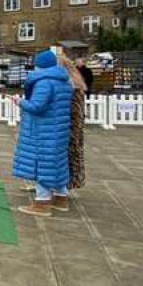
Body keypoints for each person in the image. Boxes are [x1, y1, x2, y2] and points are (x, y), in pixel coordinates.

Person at [12, 50, 73, 216]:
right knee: (57, 163)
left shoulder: (44, 83)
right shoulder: (65, 82)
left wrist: (20, 102)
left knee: (41, 165)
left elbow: (37, 107)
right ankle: (61, 198)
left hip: (42, 131)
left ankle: (42, 202)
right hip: (58, 129)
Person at [57, 51, 87, 190]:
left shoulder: (69, 86)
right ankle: (66, 185)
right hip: (75, 127)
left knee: (67, 156)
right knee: (73, 154)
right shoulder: (77, 84)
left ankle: (63, 187)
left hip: (67, 126)